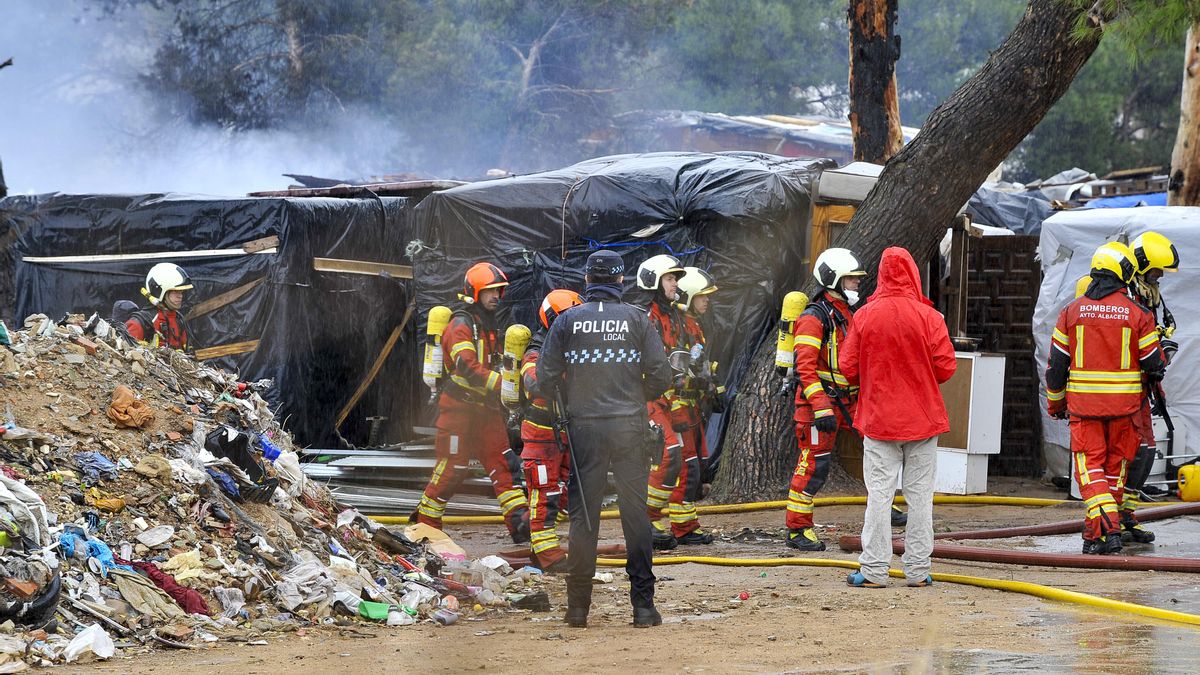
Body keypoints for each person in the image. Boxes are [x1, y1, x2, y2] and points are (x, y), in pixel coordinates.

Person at [537, 249, 672, 628]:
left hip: (584, 428)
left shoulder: (567, 321)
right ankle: (643, 608)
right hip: (629, 426)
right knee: (636, 515)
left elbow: (545, 380)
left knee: (584, 518)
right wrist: (633, 396)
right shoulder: (638, 320)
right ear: (620, 281)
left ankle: (577, 609)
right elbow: (662, 376)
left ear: (586, 281)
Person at [839, 246, 956, 587]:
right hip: (922, 420)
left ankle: (874, 570)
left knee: (879, 496)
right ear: (913, 275)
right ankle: (918, 572)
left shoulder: (864, 315)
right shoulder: (930, 317)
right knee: (920, 499)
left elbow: (847, 368)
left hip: (879, 420)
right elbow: (946, 368)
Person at [1045, 242, 1165, 555]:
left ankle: (1102, 531)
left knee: (1091, 472)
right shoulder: (1138, 314)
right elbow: (1155, 365)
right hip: (1125, 411)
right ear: (1125, 272)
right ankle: (1099, 534)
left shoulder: (1071, 312)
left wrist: (1056, 404)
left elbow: (1056, 368)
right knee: (1113, 473)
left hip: (1084, 411)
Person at [413, 262, 531, 543]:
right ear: (474, 292)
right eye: (490, 291)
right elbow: (466, 366)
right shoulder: (460, 324)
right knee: (452, 468)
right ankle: (425, 523)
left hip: (486, 411)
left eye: (499, 291)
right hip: (459, 410)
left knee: (505, 464)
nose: (496, 297)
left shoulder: (488, 324)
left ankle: (520, 524)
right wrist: (504, 385)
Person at [784, 247, 866, 551]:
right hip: (820, 405)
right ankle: (797, 529)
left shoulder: (845, 313)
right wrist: (820, 407)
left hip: (849, 402)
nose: (857, 284)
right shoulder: (814, 317)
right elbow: (804, 368)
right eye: (851, 279)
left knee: (878, 449)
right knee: (813, 466)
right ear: (833, 279)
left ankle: (886, 509)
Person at [639, 256, 716, 546]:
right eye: (670, 279)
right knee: (669, 458)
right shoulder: (646, 317)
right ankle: (645, 521)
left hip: (674, 402)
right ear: (654, 281)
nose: (676, 284)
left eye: (676, 279)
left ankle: (683, 525)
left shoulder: (672, 316)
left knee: (687, 463)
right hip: (653, 400)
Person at [1121, 231, 1180, 543]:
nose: (1159, 277)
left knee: (1145, 452)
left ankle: (1127, 514)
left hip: (1144, 385)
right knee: (1131, 452)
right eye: (1156, 271)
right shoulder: (1127, 296)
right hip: (1124, 388)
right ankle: (1112, 518)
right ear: (1142, 267)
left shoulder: (1148, 294)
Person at [519, 289, 583, 572]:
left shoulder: (574, 350)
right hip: (541, 432)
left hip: (563, 431)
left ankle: (540, 546)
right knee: (544, 492)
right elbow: (533, 381)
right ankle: (548, 556)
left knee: (562, 492)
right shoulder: (536, 351)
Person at [125, 263, 195, 351]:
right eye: (175, 291)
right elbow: (126, 356)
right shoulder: (141, 323)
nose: (180, 296)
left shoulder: (178, 320)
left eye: (181, 292)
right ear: (159, 290)